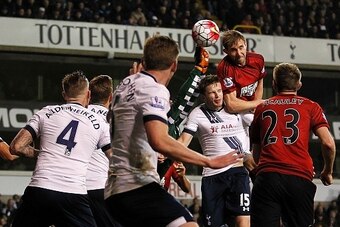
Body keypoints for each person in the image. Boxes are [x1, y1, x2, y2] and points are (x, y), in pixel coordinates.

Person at [104, 35, 243, 227]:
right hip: (136, 186)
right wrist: (209, 161)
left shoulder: (123, 86)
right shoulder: (155, 90)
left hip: (113, 191)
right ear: (174, 65)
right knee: (189, 225)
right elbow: (159, 140)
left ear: (145, 61)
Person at [9, 70, 112, 227]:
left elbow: (16, 147)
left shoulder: (46, 112)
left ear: (64, 94)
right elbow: (115, 157)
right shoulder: (99, 123)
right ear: (88, 95)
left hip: (40, 189)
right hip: (73, 194)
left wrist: (40, 153)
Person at [250, 62, 336, 227]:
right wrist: (327, 171)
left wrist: (262, 175)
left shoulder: (261, 108)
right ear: (299, 85)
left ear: (274, 85)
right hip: (299, 177)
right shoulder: (311, 106)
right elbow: (328, 144)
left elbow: (256, 154)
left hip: (268, 177)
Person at [178, 74, 255, 227]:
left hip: (238, 173)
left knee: (243, 221)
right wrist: (164, 153)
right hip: (213, 177)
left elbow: (261, 126)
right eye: (212, 92)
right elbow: (183, 142)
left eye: (219, 90)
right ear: (203, 96)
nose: (217, 95)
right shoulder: (197, 114)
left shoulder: (236, 109)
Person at [86, 75, 122, 227]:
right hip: (101, 187)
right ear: (111, 96)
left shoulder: (76, 115)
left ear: (88, 95)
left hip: (75, 188)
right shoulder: (114, 120)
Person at [217, 29, 266, 114]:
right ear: (226, 51)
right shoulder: (224, 68)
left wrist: (255, 105)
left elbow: (259, 83)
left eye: (241, 47)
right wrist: (256, 103)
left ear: (245, 45)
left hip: (252, 106)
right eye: (233, 50)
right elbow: (232, 106)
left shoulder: (258, 60)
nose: (239, 53)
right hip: (234, 112)